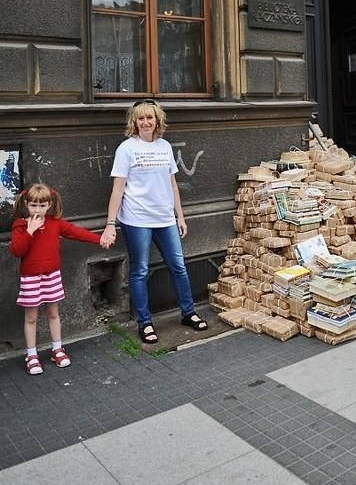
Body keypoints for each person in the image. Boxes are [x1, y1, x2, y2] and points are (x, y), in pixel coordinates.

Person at [101, 99, 207, 344]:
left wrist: (179, 215)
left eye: (150, 118)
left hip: (164, 218)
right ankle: (145, 322)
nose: (146, 122)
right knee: (140, 270)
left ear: (157, 120)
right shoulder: (127, 149)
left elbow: (172, 184)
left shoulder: (164, 147)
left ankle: (188, 312)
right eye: (141, 118)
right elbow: (118, 189)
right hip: (136, 219)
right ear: (134, 122)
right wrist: (110, 223)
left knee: (178, 266)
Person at [9, 183, 113, 375]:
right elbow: (16, 250)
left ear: (49, 205)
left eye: (42, 206)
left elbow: (75, 232)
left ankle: (57, 349)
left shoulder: (54, 223)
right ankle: (31, 354)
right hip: (31, 277)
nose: (37, 210)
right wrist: (29, 231)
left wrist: (99, 239)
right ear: (26, 204)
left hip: (51, 275)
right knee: (31, 317)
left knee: (53, 313)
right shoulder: (20, 225)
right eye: (33, 205)